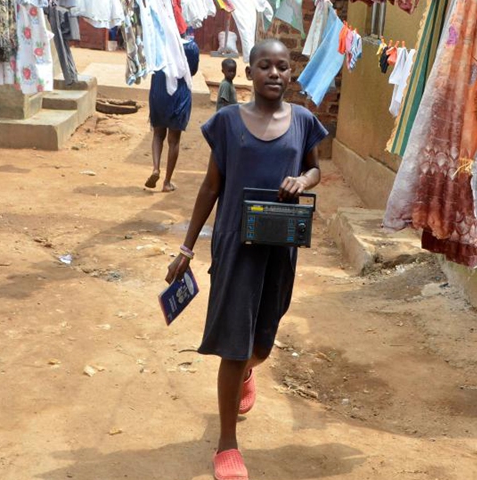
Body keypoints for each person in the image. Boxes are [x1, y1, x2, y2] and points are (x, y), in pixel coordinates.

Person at [165, 39, 328, 480]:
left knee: (262, 342)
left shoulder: (304, 122)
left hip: (281, 245)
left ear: (291, 73)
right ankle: (226, 444)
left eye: (283, 66)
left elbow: (316, 169)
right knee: (235, 344)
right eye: (265, 66)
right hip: (236, 244)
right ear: (249, 74)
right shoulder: (227, 123)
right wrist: (187, 247)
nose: (274, 73)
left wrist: (302, 179)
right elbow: (210, 187)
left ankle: (248, 371)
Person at [145, 38, 200, 193]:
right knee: (174, 141)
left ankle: (155, 168)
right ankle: (167, 182)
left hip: (159, 90)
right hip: (179, 92)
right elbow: (193, 70)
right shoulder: (191, 47)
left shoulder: (158, 41)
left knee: (157, 134)